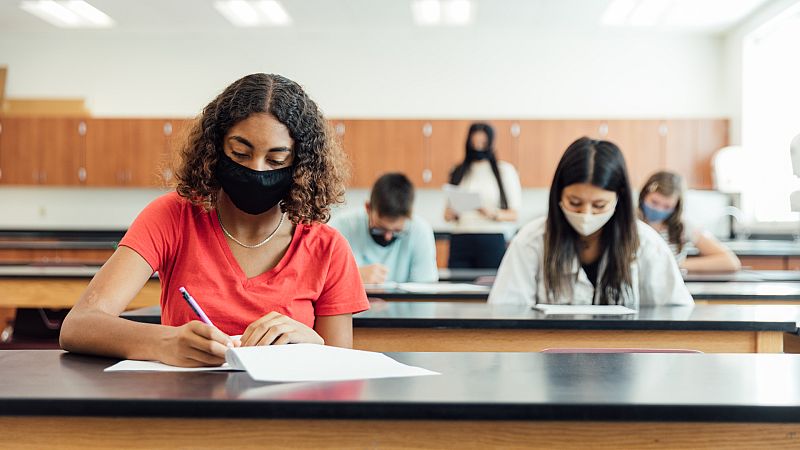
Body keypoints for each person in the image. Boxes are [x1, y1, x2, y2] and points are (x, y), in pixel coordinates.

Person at [60, 73, 369, 367]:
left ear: (301, 165)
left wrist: (312, 343)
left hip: (286, 415)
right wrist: (165, 342)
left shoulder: (328, 248)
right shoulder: (173, 216)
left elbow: (341, 367)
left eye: (276, 160)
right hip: (190, 411)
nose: (257, 170)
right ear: (215, 148)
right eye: (239, 153)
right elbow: (79, 325)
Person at [488, 137, 692, 307]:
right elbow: (506, 314)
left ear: (618, 199)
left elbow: (676, 312)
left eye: (599, 205)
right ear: (558, 195)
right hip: (548, 353)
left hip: (626, 353)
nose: (586, 214)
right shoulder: (531, 240)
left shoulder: (647, 243)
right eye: (575, 203)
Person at [330, 173, 438, 284]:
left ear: (409, 217)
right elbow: (320, 279)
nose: (388, 237)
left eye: (397, 231)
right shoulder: (341, 227)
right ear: (368, 208)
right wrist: (352, 276)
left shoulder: (420, 231)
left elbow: (425, 291)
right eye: (380, 229)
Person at [444, 122, 521, 269]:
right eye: (474, 143)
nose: (478, 147)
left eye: (483, 143)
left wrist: (491, 213)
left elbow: (514, 214)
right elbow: (446, 215)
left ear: (490, 143)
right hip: (461, 238)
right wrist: (454, 212)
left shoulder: (504, 170)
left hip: (490, 239)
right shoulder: (458, 171)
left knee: (489, 286)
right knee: (456, 287)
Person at [639, 171, 741, 273]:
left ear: (676, 207)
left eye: (667, 206)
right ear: (644, 195)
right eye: (654, 202)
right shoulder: (630, 223)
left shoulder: (683, 227)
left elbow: (731, 262)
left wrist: (676, 264)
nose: (659, 209)